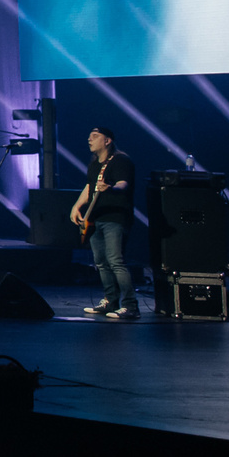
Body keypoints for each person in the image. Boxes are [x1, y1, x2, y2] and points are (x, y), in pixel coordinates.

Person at [72, 125, 139, 320]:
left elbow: (123, 183)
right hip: (96, 219)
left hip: (115, 218)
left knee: (115, 260)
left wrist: (110, 188)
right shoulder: (94, 165)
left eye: (95, 136)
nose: (89, 139)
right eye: (89, 136)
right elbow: (89, 188)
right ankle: (110, 301)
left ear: (107, 141)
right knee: (101, 262)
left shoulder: (121, 160)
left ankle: (131, 306)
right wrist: (76, 207)